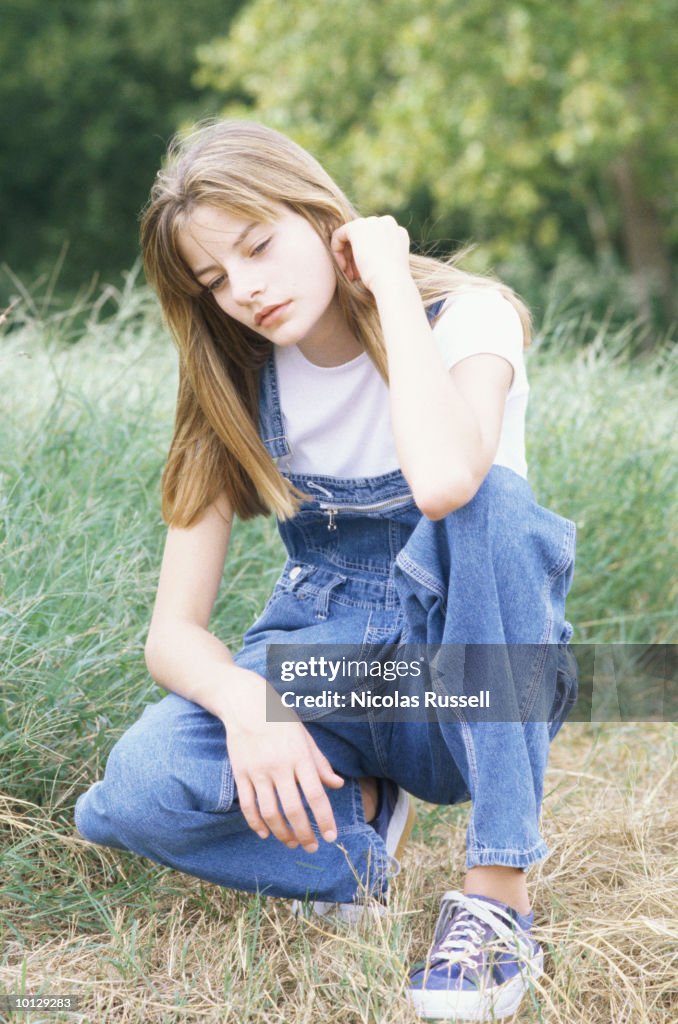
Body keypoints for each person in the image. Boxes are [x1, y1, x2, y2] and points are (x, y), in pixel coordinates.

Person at [74, 120, 577, 1021]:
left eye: (260, 245)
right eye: (216, 281)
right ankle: (357, 834)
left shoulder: (467, 319)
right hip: (326, 661)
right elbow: (172, 634)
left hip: (473, 673)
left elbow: (446, 480)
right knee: (139, 787)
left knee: (494, 505)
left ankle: (500, 901)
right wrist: (247, 710)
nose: (246, 291)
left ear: (319, 212)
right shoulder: (233, 379)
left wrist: (386, 281)